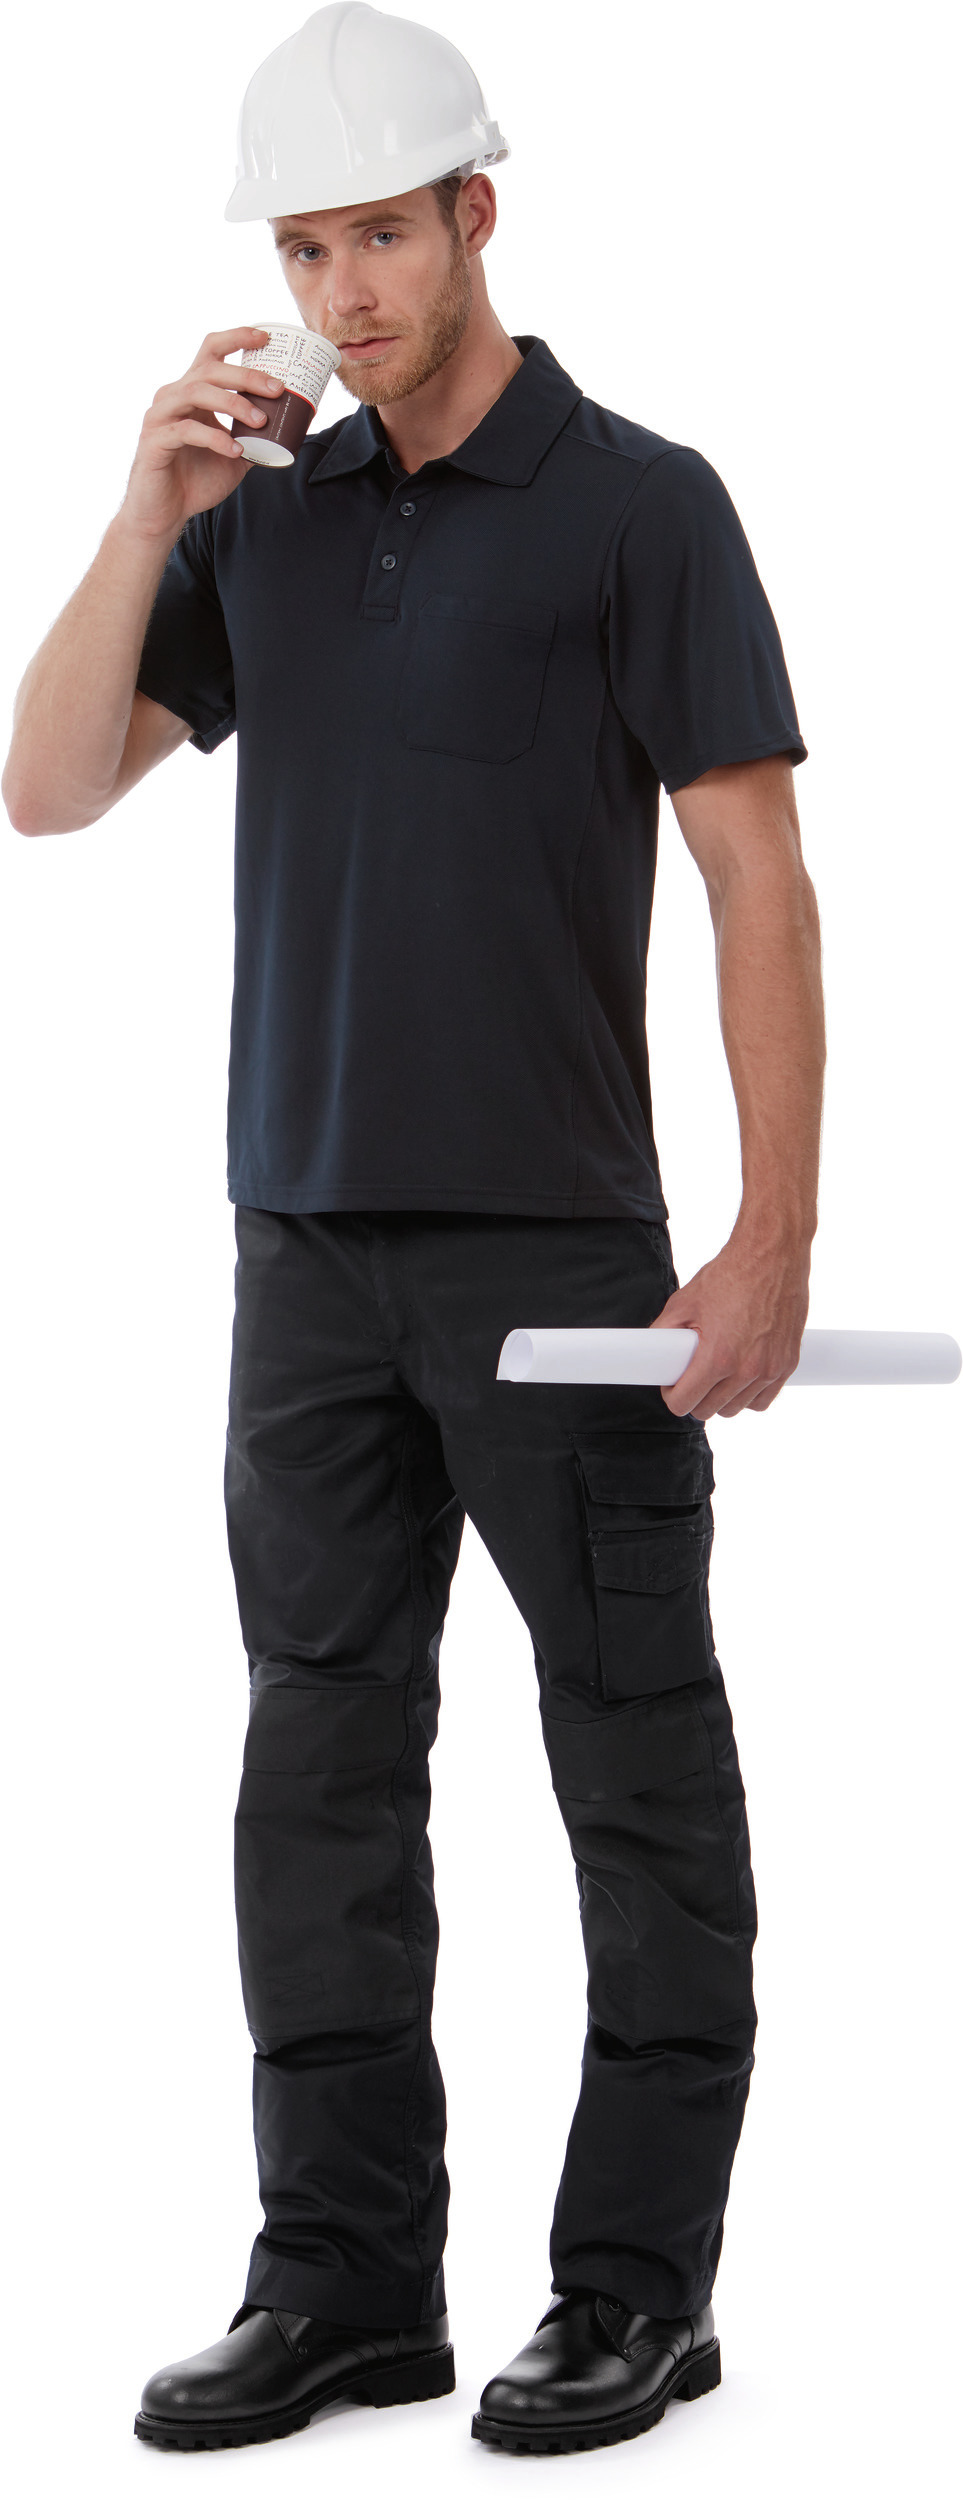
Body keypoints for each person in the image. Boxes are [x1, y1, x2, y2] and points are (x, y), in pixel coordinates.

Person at [2, 1, 825, 2460]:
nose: (338, 292)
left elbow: (755, 880)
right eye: (301, 249)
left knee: (636, 1770)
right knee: (317, 1781)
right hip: (303, 1248)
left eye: (376, 234)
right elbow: (46, 787)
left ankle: (634, 2288)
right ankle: (346, 2281)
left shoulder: (642, 506)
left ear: (477, 211)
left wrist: (768, 1237)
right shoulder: (261, 516)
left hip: (561, 1260)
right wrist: (141, 507)